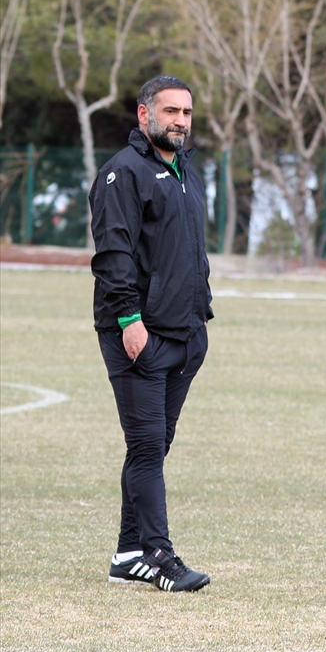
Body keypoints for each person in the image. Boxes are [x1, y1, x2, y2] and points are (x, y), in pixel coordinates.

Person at [90, 76, 212, 592]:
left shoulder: (188, 173)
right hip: (137, 334)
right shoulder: (123, 174)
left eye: (186, 112)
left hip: (185, 334)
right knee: (145, 449)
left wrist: (200, 321)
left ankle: (127, 554)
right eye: (170, 111)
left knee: (153, 447)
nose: (180, 120)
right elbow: (113, 256)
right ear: (144, 115)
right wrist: (127, 320)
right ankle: (159, 555)